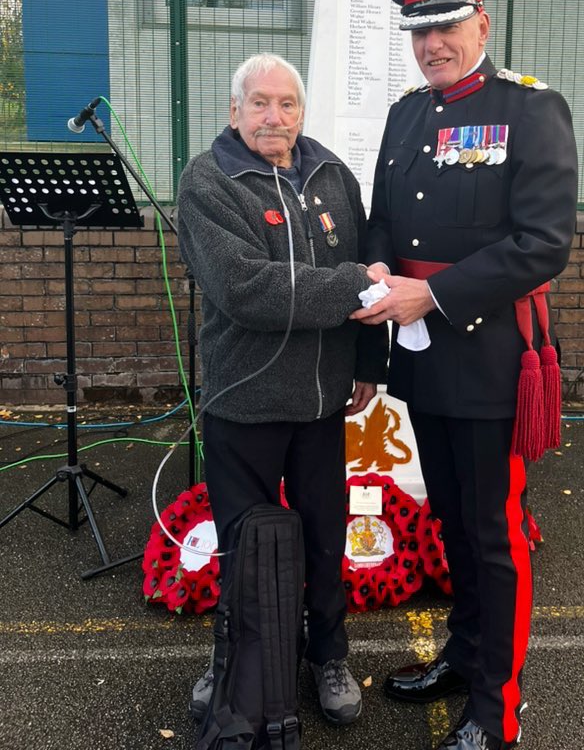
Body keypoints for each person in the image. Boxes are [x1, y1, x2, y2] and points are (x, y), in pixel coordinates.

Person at [352, 0, 578, 750]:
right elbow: (383, 219)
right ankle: (464, 656)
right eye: (420, 32)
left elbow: (543, 244)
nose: (432, 44)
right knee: (451, 521)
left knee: (492, 534)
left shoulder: (531, 108)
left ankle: (496, 707)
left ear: (482, 22)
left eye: (446, 26)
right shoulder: (408, 114)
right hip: (422, 355)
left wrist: (434, 295)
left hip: (488, 359)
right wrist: (378, 267)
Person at [177, 52, 388, 726]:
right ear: (233, 110)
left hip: (324, 402)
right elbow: (247, 289)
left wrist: (369, 364)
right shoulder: (208, 182)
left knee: (326, 538)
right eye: (260, 102)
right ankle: (234, 660)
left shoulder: (330, 174)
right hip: (245, 403)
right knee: (246, 543)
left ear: (302, 111)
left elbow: (371, 264)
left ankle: (327, 655)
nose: (274, 116)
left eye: (287, 103)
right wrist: (357, 284)